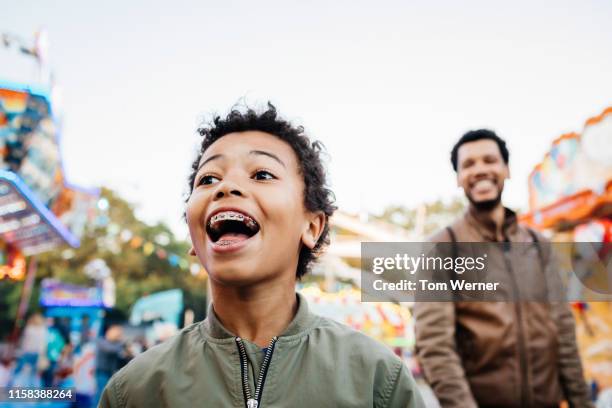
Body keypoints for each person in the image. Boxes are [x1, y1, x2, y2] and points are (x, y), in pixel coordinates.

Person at [99, 104, 424, 407]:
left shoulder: (378, 380)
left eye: (262, 174)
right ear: (192, 235)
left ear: (312, 226)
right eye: (209, 179)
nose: (225, 188)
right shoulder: (133, 391)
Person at [413, 129, 593, 408]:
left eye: (489, 160)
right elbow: (435, 349)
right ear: (458, 178)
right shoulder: (442, 247)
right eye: (468, 165)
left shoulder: (538, 245)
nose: (480, 170)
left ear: (506, 169)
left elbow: (564, 335)